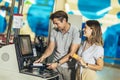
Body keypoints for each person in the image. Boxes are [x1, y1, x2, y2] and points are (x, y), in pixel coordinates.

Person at [34, 10, 81, 80]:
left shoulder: (75, 31)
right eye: (54, 24)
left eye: (57, 23)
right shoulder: (54, 30)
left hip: (68, 68)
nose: (55, 26)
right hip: (55, 66)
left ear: (64, 20)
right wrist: (42, 57)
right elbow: (50, 48)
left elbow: (72, 53)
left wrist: (57, 63)